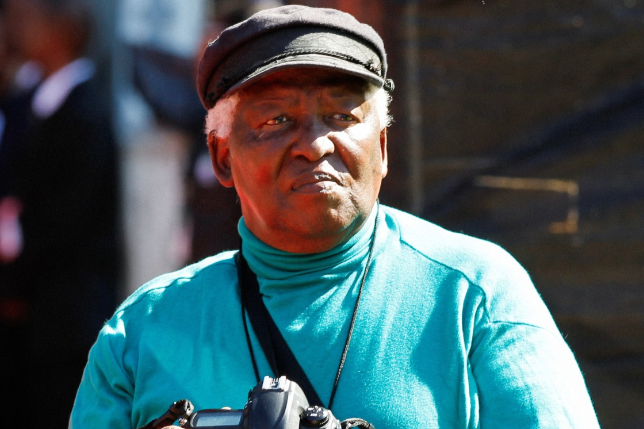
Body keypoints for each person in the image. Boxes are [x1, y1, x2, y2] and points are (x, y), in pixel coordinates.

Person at [71, 5, 600, 429]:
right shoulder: (141, 334)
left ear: (384, 146)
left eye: (343, 115)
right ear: (222, 157)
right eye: (277, 119)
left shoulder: (474, 296)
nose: (316, 143)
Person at [0, 1, 120, 427]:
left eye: (23, 16)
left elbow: (61, 225)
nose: (13, 26)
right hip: (33, 320)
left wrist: (13, 280)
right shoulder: (29, 103)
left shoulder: (85, 113)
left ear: (62, 29)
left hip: (66, 324)